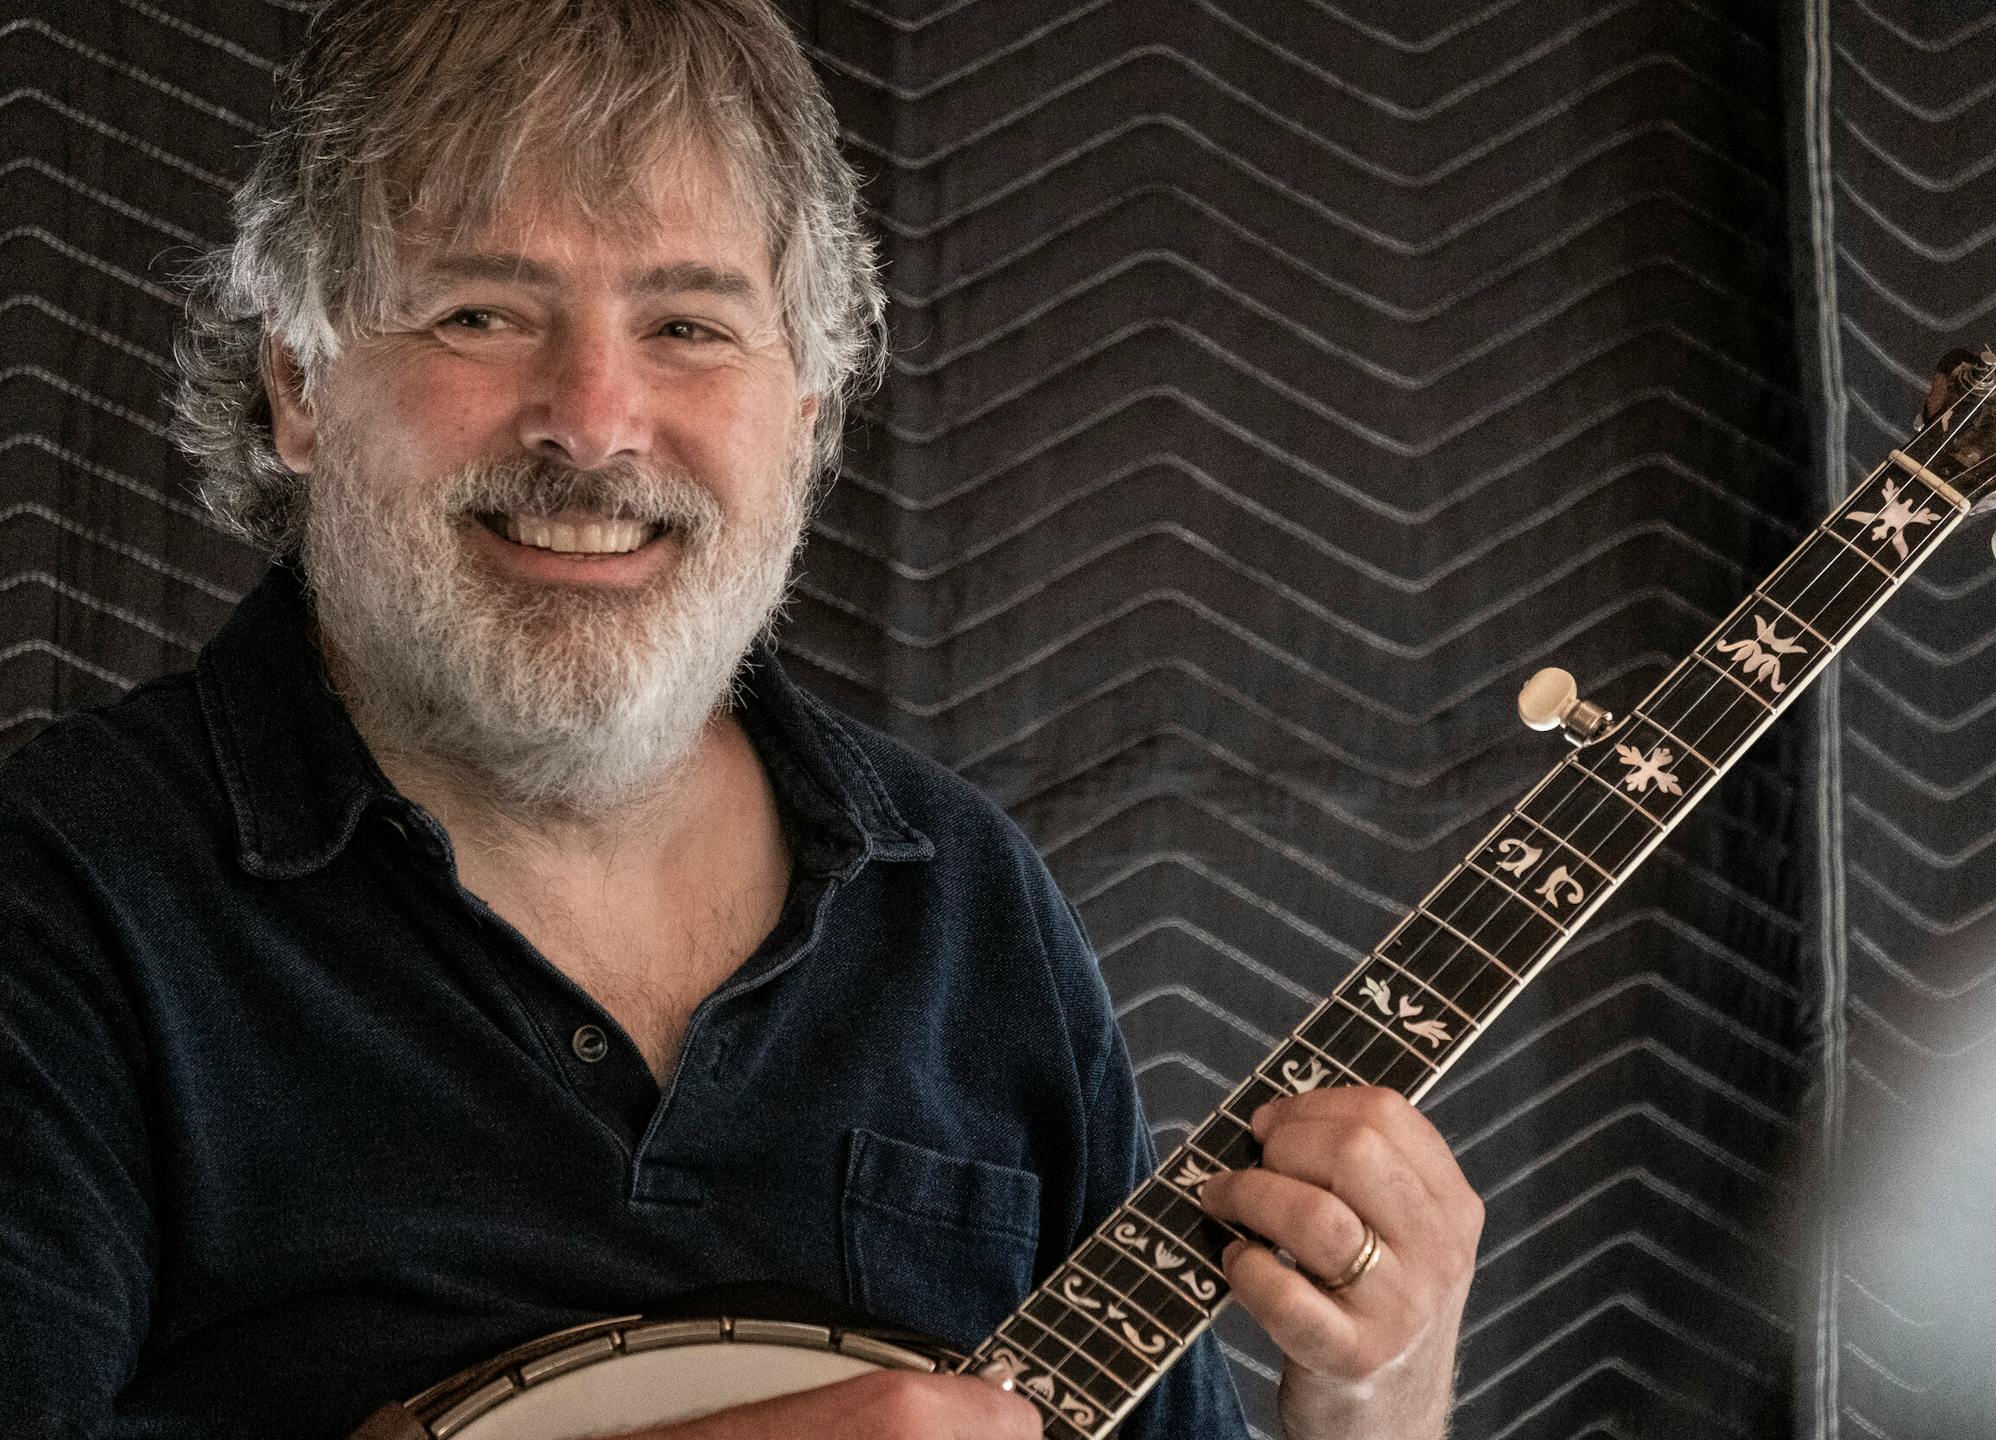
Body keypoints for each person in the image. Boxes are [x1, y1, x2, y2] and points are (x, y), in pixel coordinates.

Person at [0, 1, 1483, 1436]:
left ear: (814, 410)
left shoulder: (961, 900)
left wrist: (1379, 1407)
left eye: (691, 326)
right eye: (481, 312)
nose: (591, 419)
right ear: (299, 381)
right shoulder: (62, 888)